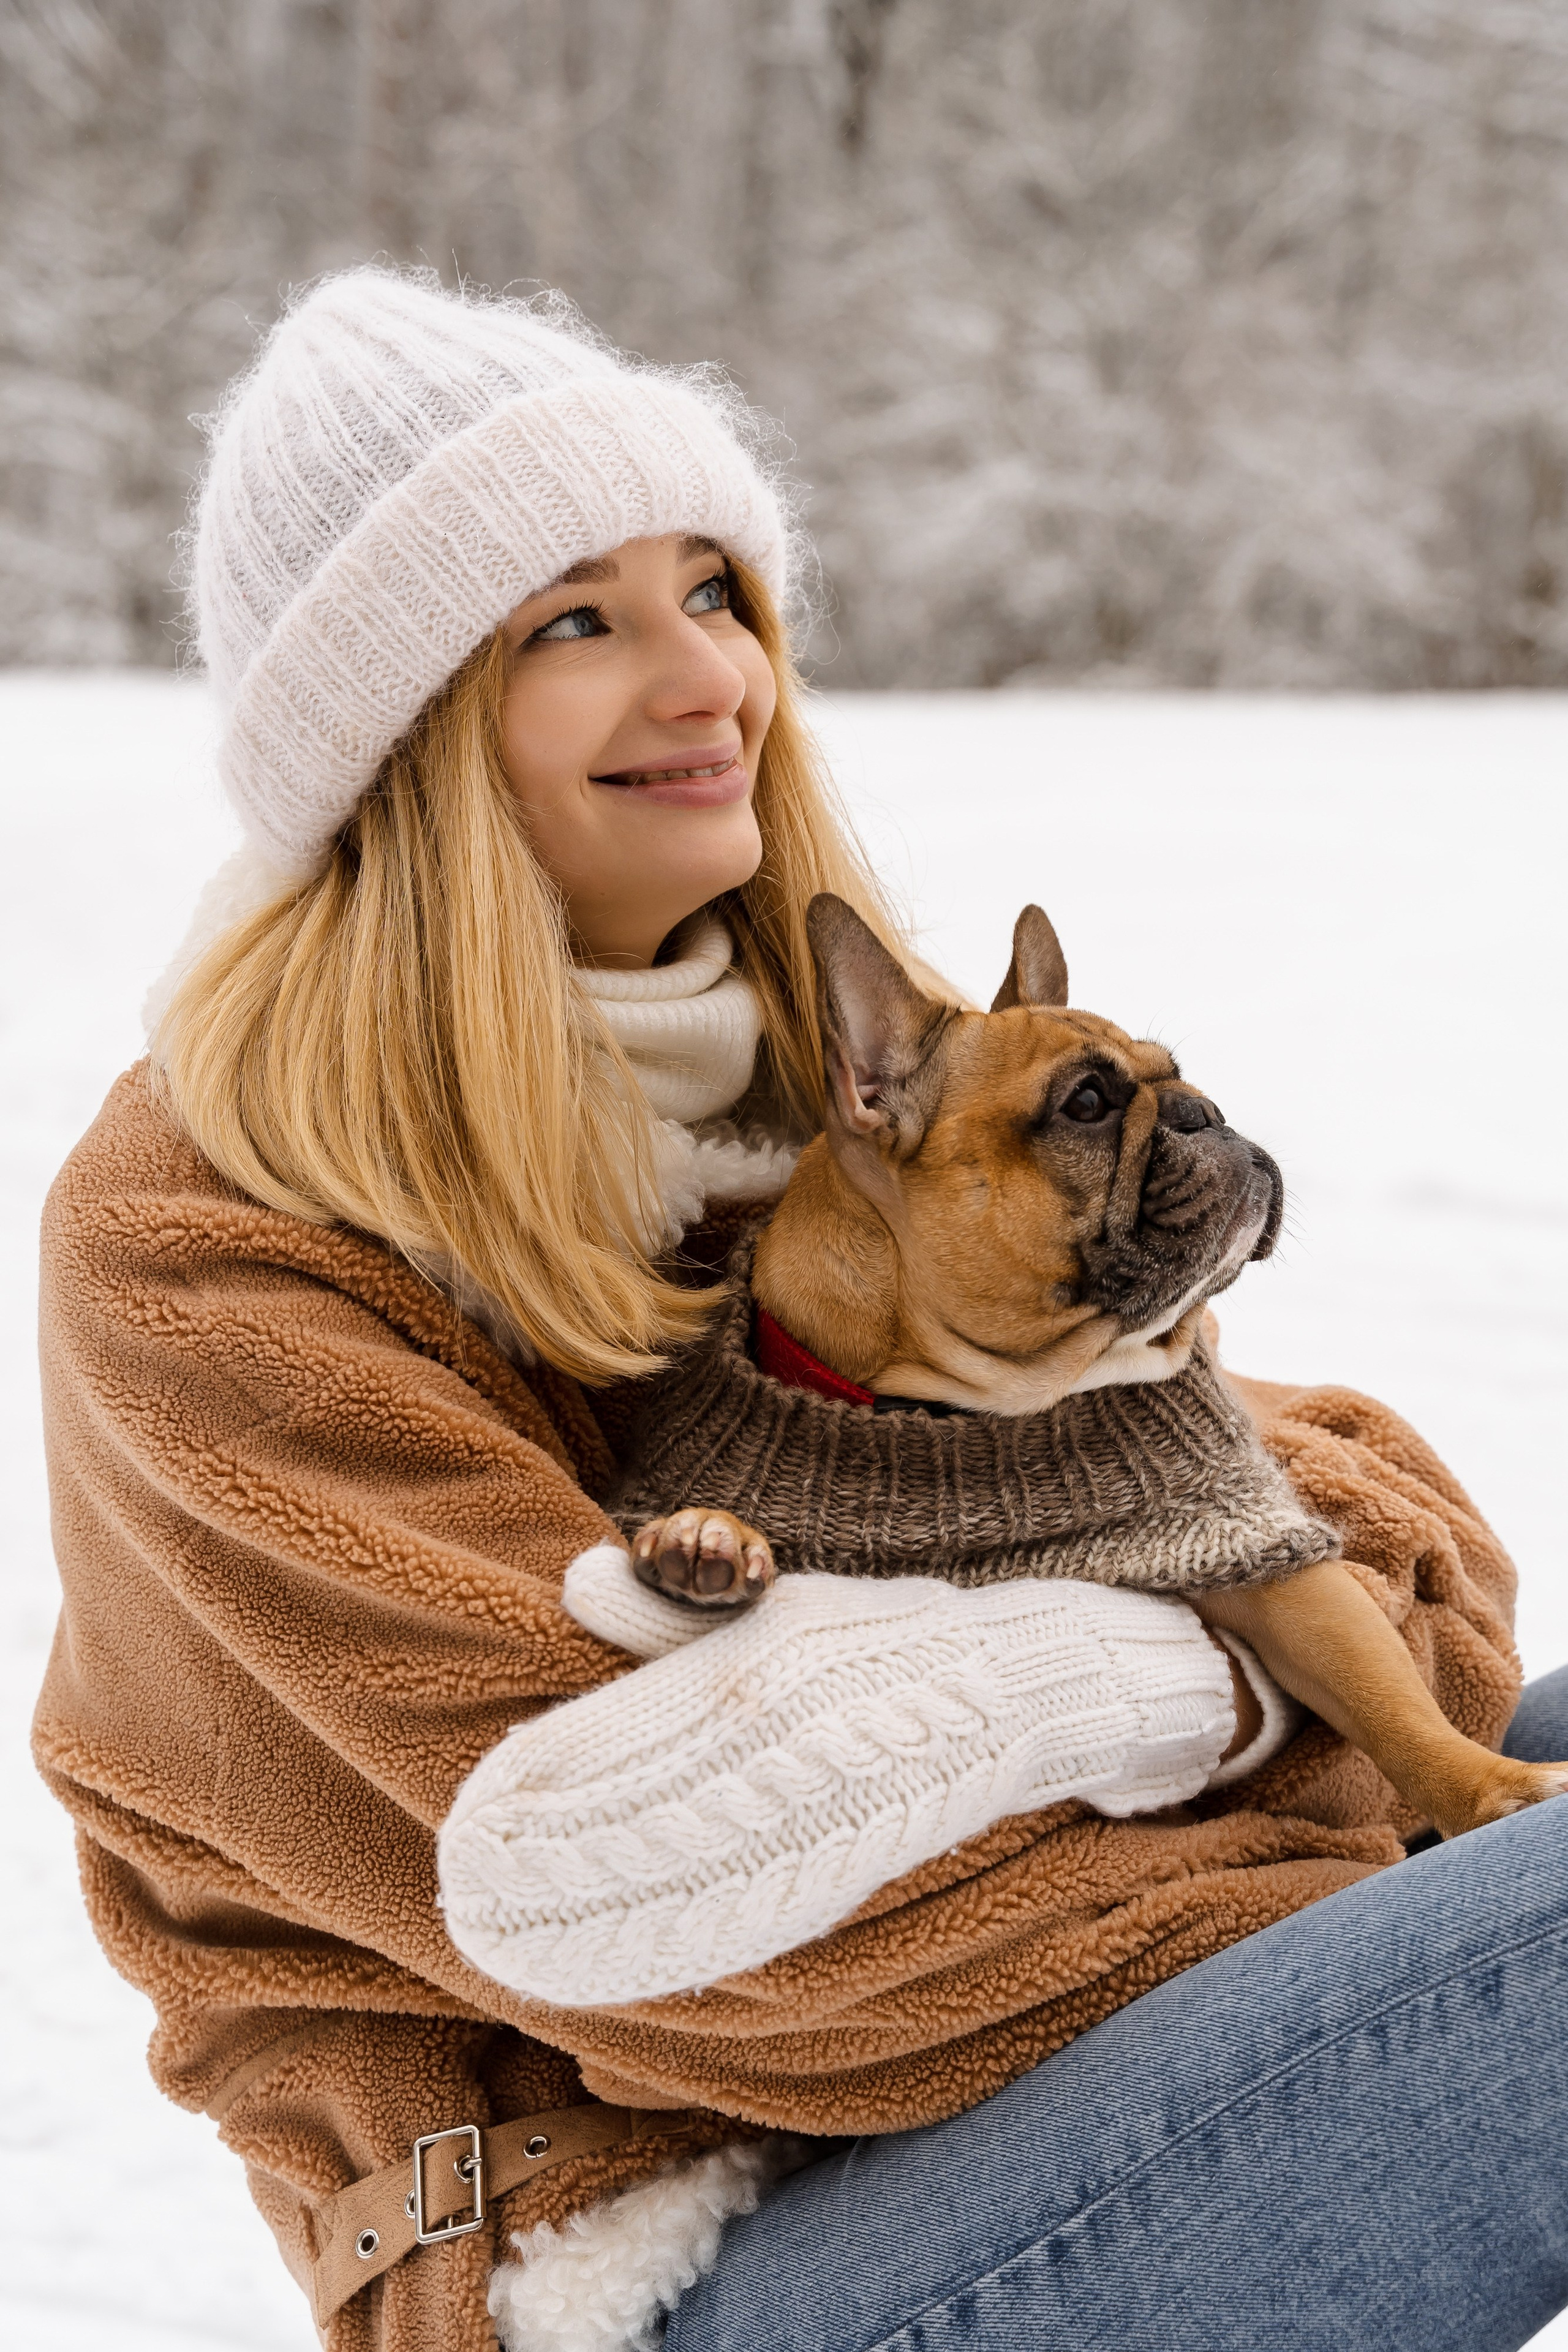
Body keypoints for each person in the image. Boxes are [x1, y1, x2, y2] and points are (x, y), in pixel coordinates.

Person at [32, 270, 1566, 2352]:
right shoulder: (215, 1253)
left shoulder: (826, 1091)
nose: (707, 682)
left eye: (718, 592)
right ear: (394, 732)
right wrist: (1253, 1714)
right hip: (663, 2246)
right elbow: (736, 1939)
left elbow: (1382, 1537)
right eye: (573, 621)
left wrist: (1297, 1694)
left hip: (1037, 2043)